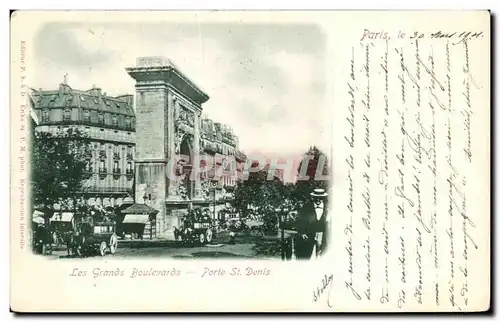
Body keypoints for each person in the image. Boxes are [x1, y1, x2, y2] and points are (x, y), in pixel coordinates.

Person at [294, 188, 329, 260]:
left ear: (323, 198)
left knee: (321, 255)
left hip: (323, 234)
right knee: (309, 255)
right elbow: (300, 220)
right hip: (309, 234)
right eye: (316, 198)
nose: (318, 200)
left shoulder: (327, 208)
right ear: (313, 198)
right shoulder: (306, 207)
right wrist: (302, 232)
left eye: (320, 198)